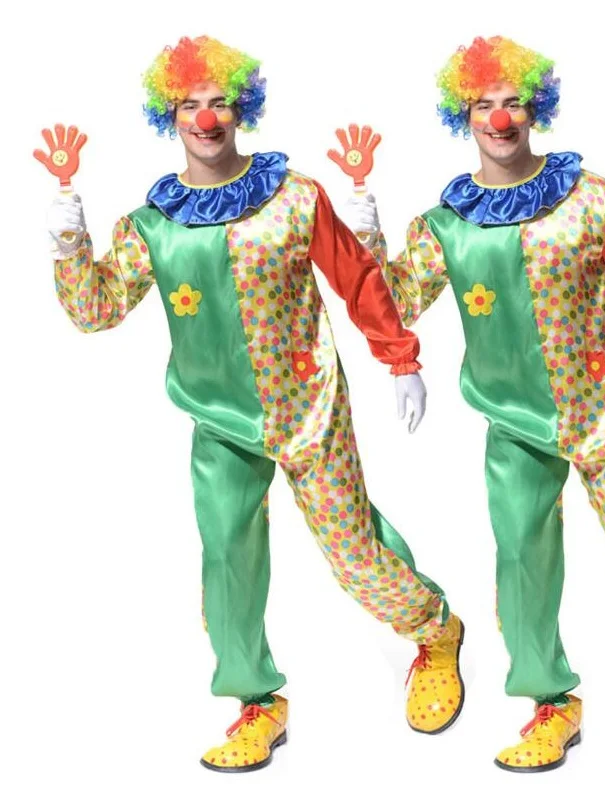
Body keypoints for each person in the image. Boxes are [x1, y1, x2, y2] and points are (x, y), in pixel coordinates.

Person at [42, 35, 464, 773]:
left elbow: (358, 280)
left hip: (308, 409)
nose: (205, 119)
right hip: (218, 420)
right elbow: (96, 310)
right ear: (169, 116)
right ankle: (257, 704)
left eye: (218, 103)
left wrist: (400, 358)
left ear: (243, 110)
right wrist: (69, 232)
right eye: (188, 105)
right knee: (227, 567)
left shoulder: (294, 197)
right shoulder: (153, 224)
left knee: (353, 551)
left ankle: (435, 631)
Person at [342, 35, 605, 773]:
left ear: (535, 110)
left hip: (602, 407)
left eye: (512, 103)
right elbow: (395, 301)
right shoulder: (447, 225)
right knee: (520, 567)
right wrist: (363, 221)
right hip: (512, 421)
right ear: (463, 117)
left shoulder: (588, 197)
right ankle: (550, 703)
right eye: (483, 106)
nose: (499, 119)